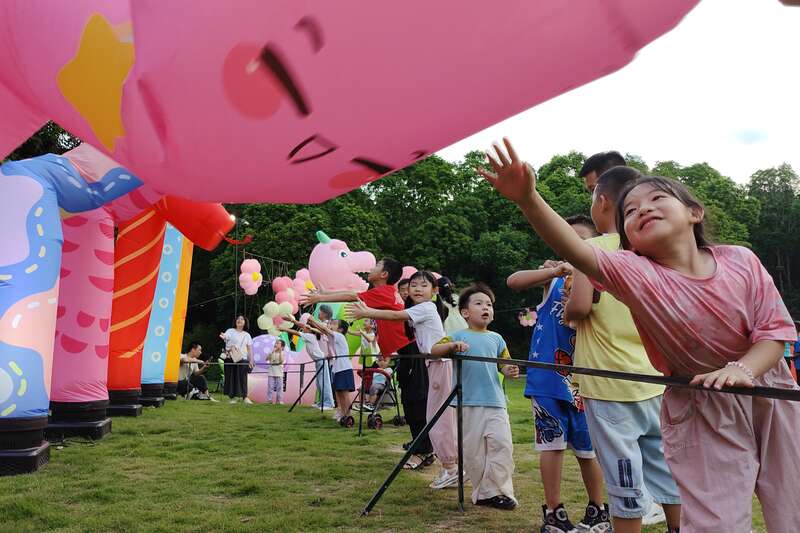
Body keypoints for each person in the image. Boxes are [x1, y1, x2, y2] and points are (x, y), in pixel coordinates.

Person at [481, 138, 800, 532]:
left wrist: (742, 369)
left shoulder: (741, 259)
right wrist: (528, 200)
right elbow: (577, 251)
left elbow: (773, 333)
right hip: (700, 402)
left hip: (771, 393)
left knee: (791, 505)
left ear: (694, 212)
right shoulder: (634, 272)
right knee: (715, 520)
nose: (643, 208)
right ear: (627, 239)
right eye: (630, 210)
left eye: (657, 198)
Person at [507, 216, 611, 533]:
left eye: (581, 240)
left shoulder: (602, 280)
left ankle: (598, 510)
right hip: (547, 378)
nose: (573, 245)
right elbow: (514, 281)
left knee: (588, 449)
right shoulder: (553, 277)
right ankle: (554, 511)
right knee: (550, 445)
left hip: (585, 379)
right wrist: (553, 271)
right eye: (567, 239)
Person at [349, 270, 458, 488]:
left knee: (440, 419)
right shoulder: (422, 308)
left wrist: (367, 311)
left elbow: (395, 316)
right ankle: (450, 467)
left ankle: (452, 468)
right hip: (434, 364)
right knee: (436, 417)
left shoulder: (425, 308)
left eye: (424, 285)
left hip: (440, 364)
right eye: (414, 285)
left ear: (434, 291)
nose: (417, 289)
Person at [431, 283, 520, 510]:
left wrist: (509, 369)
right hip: (468, 403)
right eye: (479, 303)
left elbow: (504, 363)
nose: (485, 308)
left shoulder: (497, 338)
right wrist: (452, 346)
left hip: (496, 402)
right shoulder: (457, 335)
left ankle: (498, 491)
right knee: (474, 451)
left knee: (502, 445)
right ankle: (484, 494)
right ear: (465, 312)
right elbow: (434, 350)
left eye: (489, 304)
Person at [299, 257, 411, 357]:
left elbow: (350, 296)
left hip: (406, 345)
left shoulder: (382, 292)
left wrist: (320, 298)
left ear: (384, 274)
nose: (372, 269)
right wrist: (326, 293)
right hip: (405, 344)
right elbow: (352, 294)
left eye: (377, 265)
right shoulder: (387, 291)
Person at [283, 314, 334, 410]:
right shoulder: (310, 334)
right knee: (319, 383)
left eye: (305, 328)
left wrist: (283, 329)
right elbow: (303, 326)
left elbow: (296, 332)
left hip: (321, 361)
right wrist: (292, 320)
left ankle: (328, 403)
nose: (303, 328)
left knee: (324, 382)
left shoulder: (310, 336)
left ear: (309, 329)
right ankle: (321, 402)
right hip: (318, 361)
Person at [220, 315, 254, 404]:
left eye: (242, 319)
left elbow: (249, 349)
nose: (239, 320)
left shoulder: (247, 335)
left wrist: (251, 360)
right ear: (235, 321)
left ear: (245, 322)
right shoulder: (230, 331)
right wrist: (223, 336)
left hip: (243, 359)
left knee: (243, 378)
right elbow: (226, 336)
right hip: (230, 358)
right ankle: (232, 397)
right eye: (238, 319)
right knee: (231, 378)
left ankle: (245, 397)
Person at [328, 319, 356, 423]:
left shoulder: (339, 336)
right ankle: (343, 414)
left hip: (344, 368)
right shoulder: (335, 336)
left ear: (340, 329)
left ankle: (348, 415)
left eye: (334, 324)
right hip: (338, 368)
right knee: (339, 392)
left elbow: (324, 329)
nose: (331, 325)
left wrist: (311, 320)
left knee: (344, 393)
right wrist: (312, 323)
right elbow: (322, 330)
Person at [267, 339, 286, 405]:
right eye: (276, 343)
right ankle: (269, 400)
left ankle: (279, 401)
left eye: (278, 343)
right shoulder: (272, 352)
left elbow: (281, 361)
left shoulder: (283, 353)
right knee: (270, 386)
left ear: (282, 346)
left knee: (279, 387)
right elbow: (267, 359)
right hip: (271, 370)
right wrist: (271, 352)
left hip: (279, 371)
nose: (276, 344)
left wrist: (280, 352)